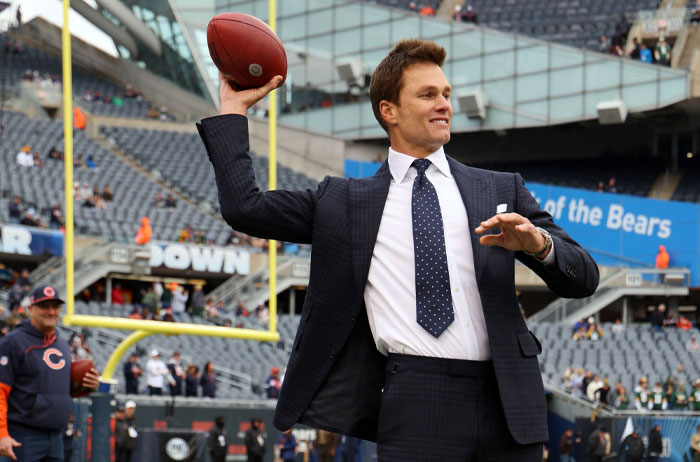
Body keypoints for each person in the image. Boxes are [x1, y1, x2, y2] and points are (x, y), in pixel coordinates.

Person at [197, 38, 599, 459]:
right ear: (388, 111)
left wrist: (538, 244)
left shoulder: (499, 188)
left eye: (445, 94)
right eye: (427, 95)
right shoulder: (343, 201)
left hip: (508, 398)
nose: (444, 104)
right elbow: (246, 207)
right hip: (415, 395)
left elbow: (584, 277)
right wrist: (234, 109)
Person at [0, 285, 99, 461]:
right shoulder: (13, 342)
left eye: (55, 307)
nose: (51, 311)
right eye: (44, 306)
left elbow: (59, 390)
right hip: (23, 436)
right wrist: (1, 434)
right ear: (31, 309)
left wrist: (87, 387)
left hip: (56, 437)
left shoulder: (61, 344)